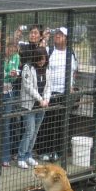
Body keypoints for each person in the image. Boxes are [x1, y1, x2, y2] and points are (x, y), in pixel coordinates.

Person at [38, 27, 78, 161]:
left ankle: (58, 152)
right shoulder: (50, 51)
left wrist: (72, 86)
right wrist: (44, 38)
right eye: (57, 34)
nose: (58, 36)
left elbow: (74, 71)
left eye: (61, 35)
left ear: (66, 38)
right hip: (50, 93)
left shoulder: (71, 53)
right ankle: (44, 151)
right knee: (47, 123)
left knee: (61, 123)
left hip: (65, 93)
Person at [17, 46, 51, 169]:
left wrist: (46, 99)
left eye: (44, 59)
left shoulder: (47, 69)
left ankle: (28, 155)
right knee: (29, 131)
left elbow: (48, 87)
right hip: (29, 106)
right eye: (40, 59)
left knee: (35, 131)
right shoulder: (28, 68)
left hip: (41, 106)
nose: (42, 61)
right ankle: (21, 156)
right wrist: (40, 99)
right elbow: (28, 87)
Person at [0, 39, 21, 167]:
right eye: (10, 48)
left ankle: (5, 156)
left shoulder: (16, 57)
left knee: (6, 123)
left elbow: (13, 75)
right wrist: (9, 74)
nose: (12, 51)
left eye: (14, 49)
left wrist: (13, 74)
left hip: (8, 91)